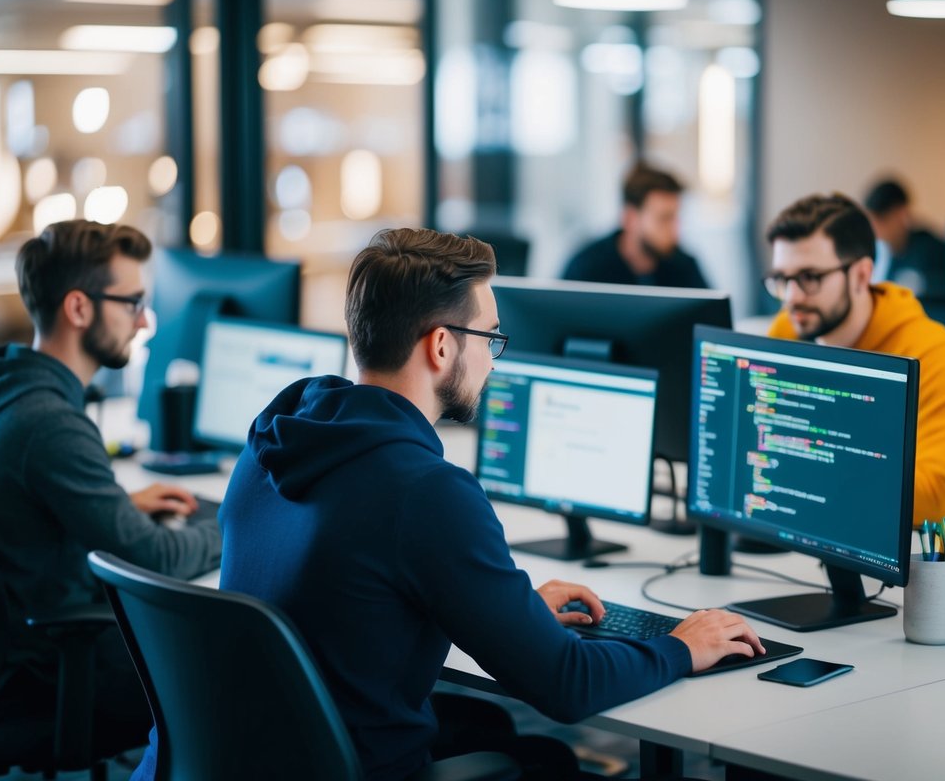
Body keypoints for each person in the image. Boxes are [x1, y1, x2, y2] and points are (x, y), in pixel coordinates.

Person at [202, 228, 761, 781]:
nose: (495, 360)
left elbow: (352, 597)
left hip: (235, 762)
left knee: (492, 728)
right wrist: (682, 647)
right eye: (490, 337)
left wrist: (506, 612)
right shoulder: (426, 491)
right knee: (550, 762)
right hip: (354, 766)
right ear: (442, 345)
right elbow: (568, 685)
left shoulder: (277, 436)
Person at [0, 219, 222, 747]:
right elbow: (158, 558)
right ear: (78, 308)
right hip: (47, 674)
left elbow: (33, 506)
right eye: (132, 302)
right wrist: (233, 525)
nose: (143, 322)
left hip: (6, 651)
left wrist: (121, 503)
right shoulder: (49, 424)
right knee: (238, 669)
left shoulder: (3, 390)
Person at [762, 193, 945, 527]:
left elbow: (940, 500)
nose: (791, 298)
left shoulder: (931, 352)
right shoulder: (788, 328)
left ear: (862, 275)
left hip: (885, 546)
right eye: (782, 279)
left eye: (809, 278)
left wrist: (806, 464)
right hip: (806, 524)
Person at [562, 163, 710, 288]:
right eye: (664, 218)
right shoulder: (586, 268)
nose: (675, 229)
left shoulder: (684, 266)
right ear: (630, 219)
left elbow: (714, 318)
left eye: (676, 218)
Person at [863, 177, 945, 296]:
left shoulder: (933, 250)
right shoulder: (880, 254)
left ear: (901, 213)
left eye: (881, 221)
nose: (876, 231)